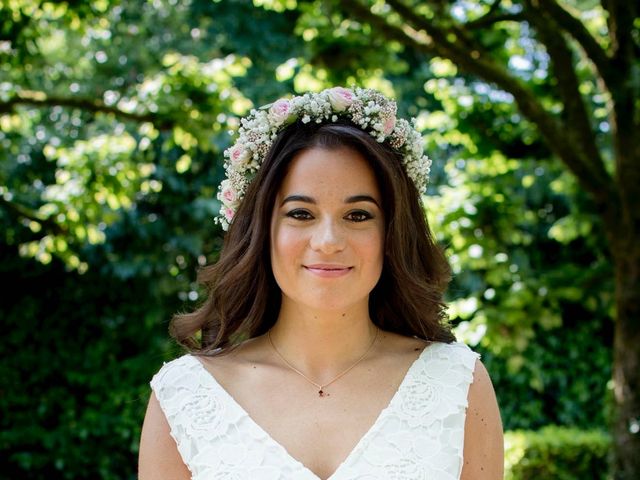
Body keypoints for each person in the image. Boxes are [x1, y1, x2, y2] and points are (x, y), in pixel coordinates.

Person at [138, 87, 503, 479]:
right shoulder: (186, 396)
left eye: (358, 215)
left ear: (392, 233)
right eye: (301, 213)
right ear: (263, 230)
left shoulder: (457, 384)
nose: (328, 241)